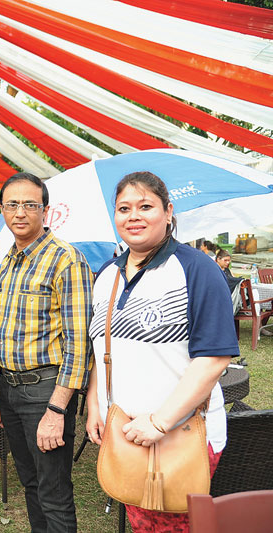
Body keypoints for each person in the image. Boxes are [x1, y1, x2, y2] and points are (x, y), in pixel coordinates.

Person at [86, 171, 236, 532]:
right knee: (143, 524)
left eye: (145, 206)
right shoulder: (107, 274)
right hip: (125, 431)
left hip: (181, 432)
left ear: (168, 212)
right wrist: (95, 402)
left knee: (178, 526)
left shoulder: (196, 269)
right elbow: (104, 348)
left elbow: (213, 359)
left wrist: (159, 422)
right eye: (124, 208)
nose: (133, 216)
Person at [0, 172, 93, 532]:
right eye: (12, 204)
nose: (20, 212)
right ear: (2, 209)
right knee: (30, 483)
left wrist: (57, 408)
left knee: (53, 490)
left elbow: (80, 343)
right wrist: (0, 391)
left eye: (30, 204)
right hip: (10, 388)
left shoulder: (66, 259)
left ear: (45, 211)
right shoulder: (8, 262)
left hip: (45, 391)